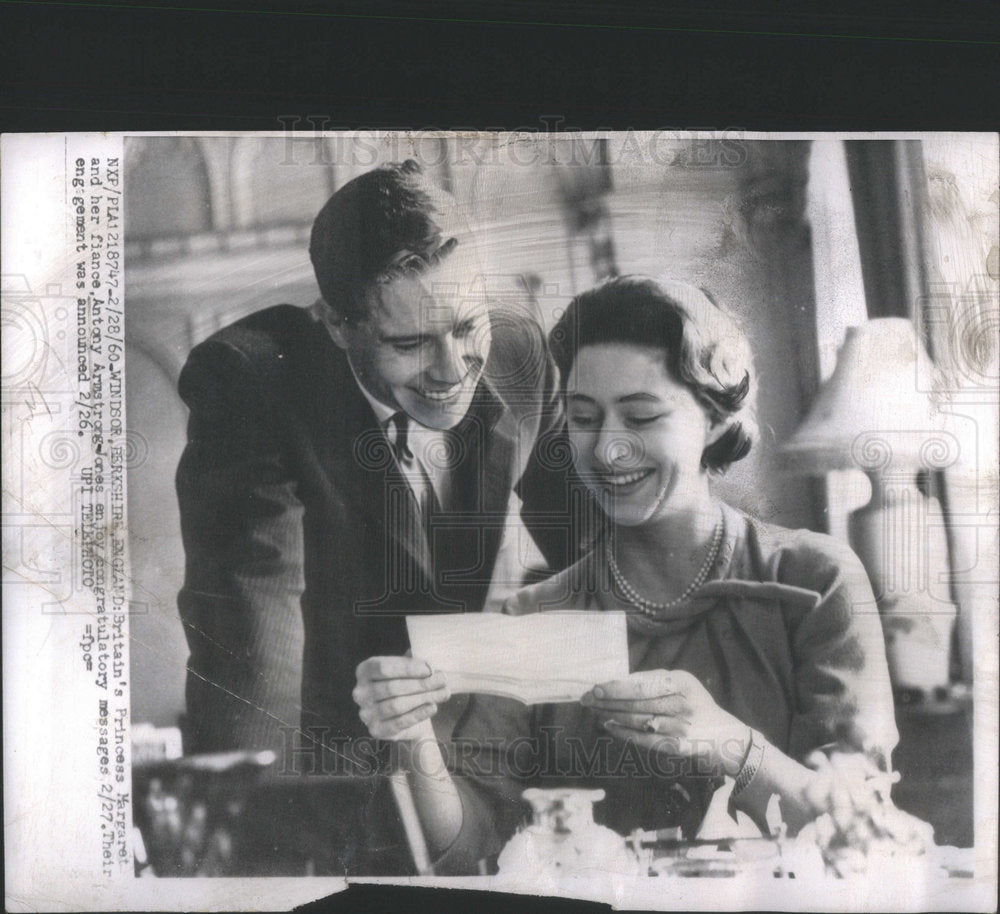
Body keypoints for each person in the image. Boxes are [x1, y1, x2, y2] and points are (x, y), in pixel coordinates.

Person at [353, 276, 899, 875]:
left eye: (640, 417)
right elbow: (471, 845)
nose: (607, 450)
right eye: (584, 418)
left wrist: (729, 743)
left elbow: (862, 831)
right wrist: (414, 734)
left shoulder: (814, 581)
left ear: (715, 420)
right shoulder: (536, 613)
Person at [175, 159, 576, 773]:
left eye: (469, 327)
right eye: (410, 344)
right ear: (336, 323)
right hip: (327, 775)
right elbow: (253, 640)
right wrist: (257, 831)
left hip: (477, 758)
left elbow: (598, 562)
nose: (452, 372)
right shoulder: (254, 381)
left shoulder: (519, 357)